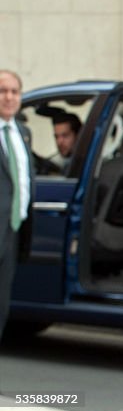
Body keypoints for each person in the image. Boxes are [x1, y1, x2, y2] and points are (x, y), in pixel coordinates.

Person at [0, 69, 33, 338]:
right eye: (2, 91)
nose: (8, 97)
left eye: (14, 91)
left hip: (11, 233)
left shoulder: (23, 133)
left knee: (2, 307)